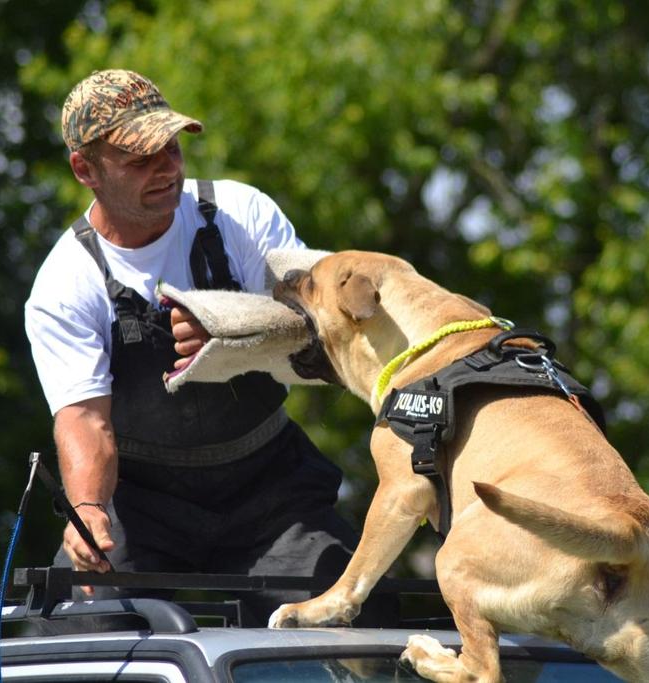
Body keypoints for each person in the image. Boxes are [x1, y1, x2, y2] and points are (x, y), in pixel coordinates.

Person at [24, 69, 393, 628]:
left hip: (271, 492)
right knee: (80, 625)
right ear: (85, 170)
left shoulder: (238, 215)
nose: (167, 168)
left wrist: (230, 331)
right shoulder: (65, 284)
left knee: (354, 617)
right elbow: (85, 422)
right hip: (144, 505)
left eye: (171, 148)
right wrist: (90, 511)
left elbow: (324, 315)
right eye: (140, 159)